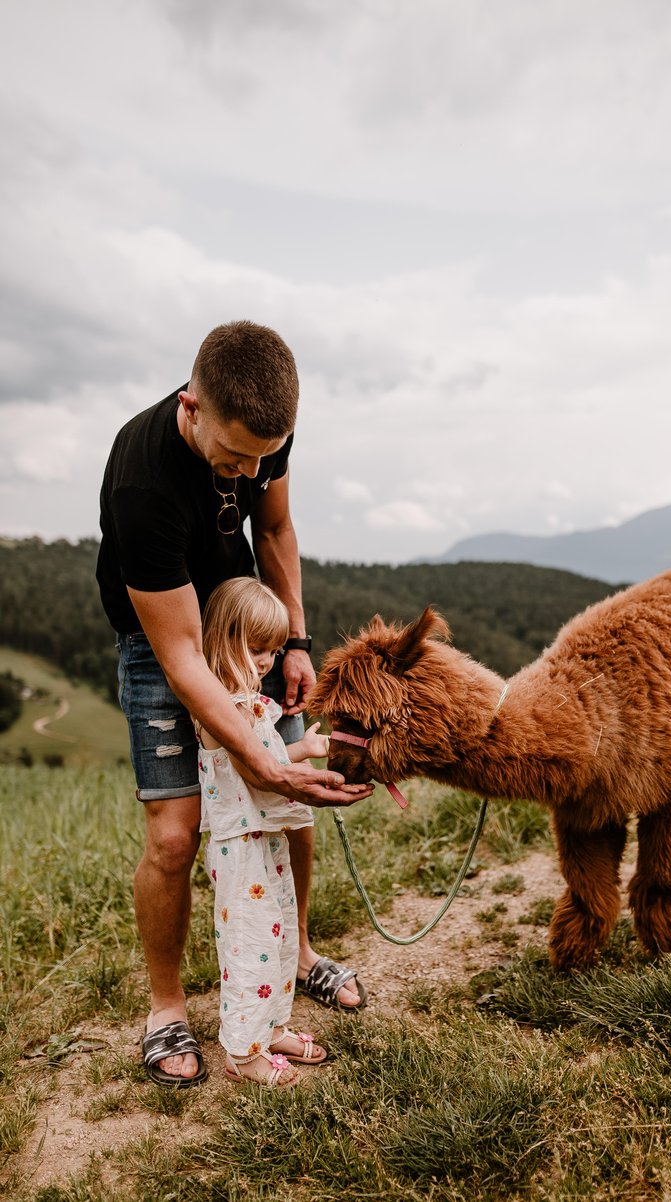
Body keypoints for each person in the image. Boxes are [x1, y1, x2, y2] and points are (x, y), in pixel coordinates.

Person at [97, 320, 372, 1087]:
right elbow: (183, 658)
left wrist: (293, 641)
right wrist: (262, 760)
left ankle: (299, 954)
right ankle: (165, 1008)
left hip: (249, 628)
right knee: (176, 834)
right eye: (235, 455)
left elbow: (276, 526)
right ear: (191, 407)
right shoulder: (141, 483)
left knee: (294, 809)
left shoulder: (263, 431)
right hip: (164, 644)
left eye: (263, 455)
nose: (249, 470)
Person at [198, 577, 328, 1086]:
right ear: (223, 640)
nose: (267, 662)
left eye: (273, 651)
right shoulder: (218, 708)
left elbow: (266, 758)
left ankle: (270, 1027)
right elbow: (246, 756)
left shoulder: (249, 704)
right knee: (249, 941)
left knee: (276, 935)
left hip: (265, 838)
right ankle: (242, 1053)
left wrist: (303, 750)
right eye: (255, 649)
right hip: (238, 847)